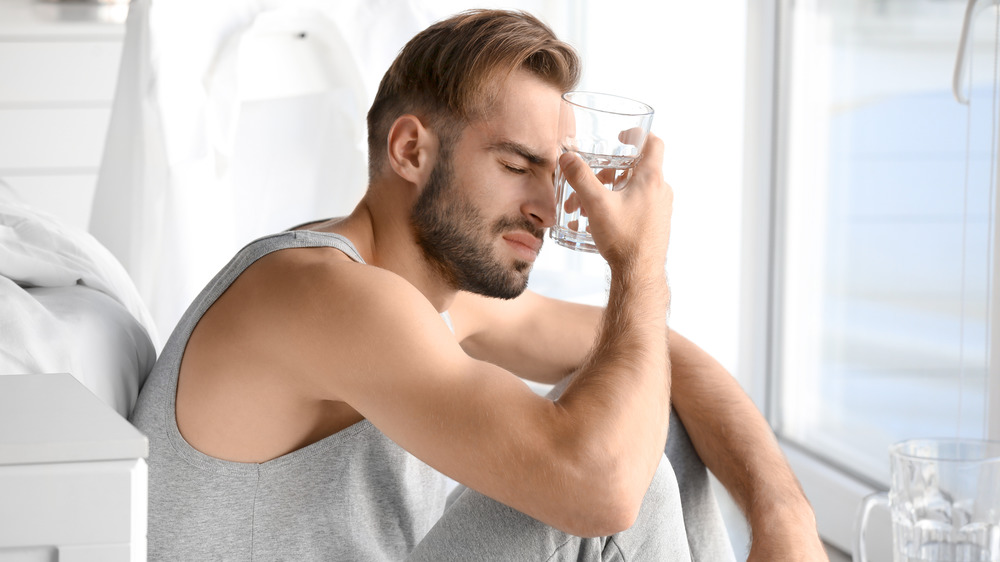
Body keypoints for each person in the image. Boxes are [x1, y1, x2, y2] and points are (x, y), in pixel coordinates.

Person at [130, 9, 828, 561]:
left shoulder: (431, 301)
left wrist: (785, 517)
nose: (550, 209)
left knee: (646, 401)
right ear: (410, 150)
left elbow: (667, 357)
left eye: (556, 174)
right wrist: (638, 262)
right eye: (517, 164)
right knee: (623, 471)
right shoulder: (321, 294)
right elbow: (605, 488)